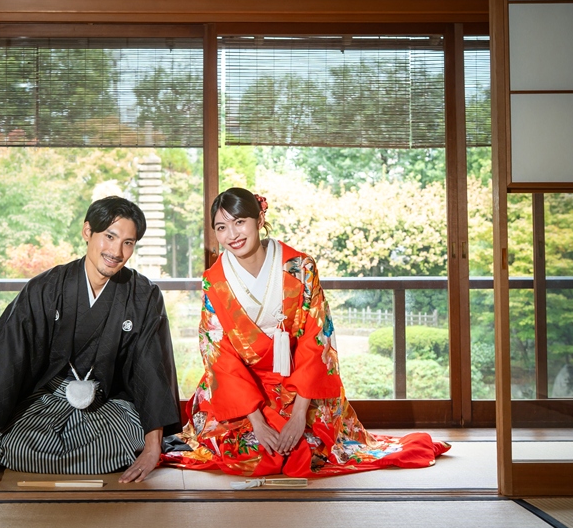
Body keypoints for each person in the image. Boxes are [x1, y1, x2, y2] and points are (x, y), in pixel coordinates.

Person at [163, 187, 450, 478]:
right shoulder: (215, 280)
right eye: (222, 227)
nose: (232, 234)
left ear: (260, 219)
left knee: (309, 446)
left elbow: (317, 338)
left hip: (298, 380)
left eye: (240, 222)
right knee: (247, 448)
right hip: (241, 385)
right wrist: (258, 422)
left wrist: (300, 414)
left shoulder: (300, 267)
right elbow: (218, 353)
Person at [0, 196, 181, 483]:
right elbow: (8, 356)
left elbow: (152, 370)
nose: (116, 251)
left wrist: (153, 449)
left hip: (108, 402)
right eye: (109, 237)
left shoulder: (143, 295)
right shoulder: (45, 288)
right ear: (88, 232)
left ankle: (127, 445)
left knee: (125, 443)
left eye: (128, 242)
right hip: (48, 398)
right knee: (14, 447)